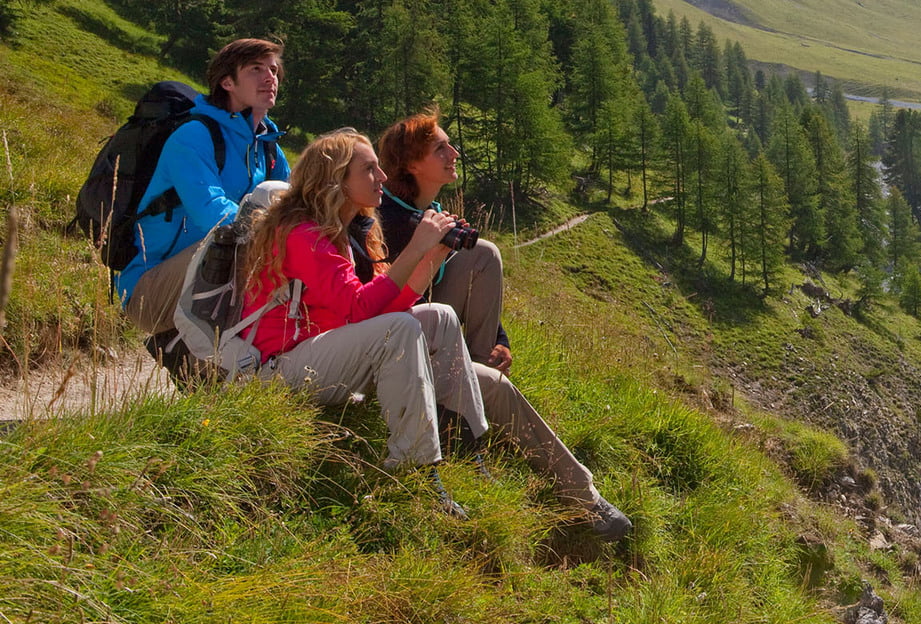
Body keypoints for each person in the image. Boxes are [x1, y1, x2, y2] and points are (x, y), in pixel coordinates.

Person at [236, 129, 630, 540]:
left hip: (335, 354)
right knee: (402, 327)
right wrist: (415, 248)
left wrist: (433, 256)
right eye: (368, 170)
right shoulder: (305, 235)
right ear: (337, 179)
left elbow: (382, 306)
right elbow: (359, 310)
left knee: (440, 316)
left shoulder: (347, 231)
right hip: (281, 367)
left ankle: (489, 459)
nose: (381, 177)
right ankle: (417, 472)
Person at [116, 38, 290, 336]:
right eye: (255, 69)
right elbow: (213, 214)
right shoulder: (194, 136)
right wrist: (277, 237)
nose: (269, 77)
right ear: (227, 82)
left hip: (209, 275)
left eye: (273, 70)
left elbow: (292, 210)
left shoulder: (270, 151)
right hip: (149, 289)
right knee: (238, 245)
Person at [368, 109, 511, 373]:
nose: (454, 154)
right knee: (483, 252)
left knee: (481, 254)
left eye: (450, 146)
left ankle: (484, 360)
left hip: (429, 312)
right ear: (412, 165)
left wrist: (500, 340)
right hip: (400, 325)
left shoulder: (427, 212)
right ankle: (476, 376)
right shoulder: (386, 219)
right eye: (440, 149)